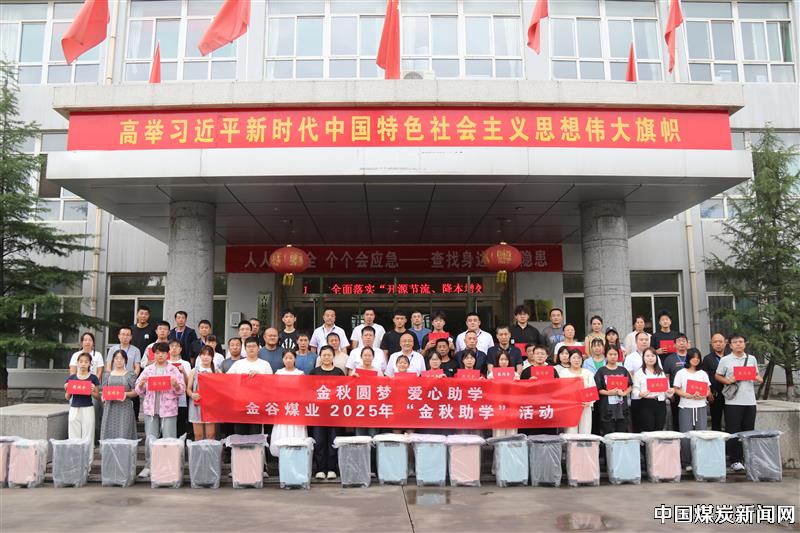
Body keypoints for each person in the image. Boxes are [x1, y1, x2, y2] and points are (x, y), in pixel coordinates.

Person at [134, 342, 185, 479]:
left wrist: (176, 385)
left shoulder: (173, 370)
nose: (160, 355)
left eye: (163, 353)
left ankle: (170, 466)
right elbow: (138, 390)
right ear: (153, 355)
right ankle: (149, 466)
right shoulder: (148, 370)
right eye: (157, 353)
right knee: (150, 439)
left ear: (167, 354)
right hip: (151, 409)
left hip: (168, 409)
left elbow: (181, 390)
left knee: (169, 439)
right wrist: (142, 384)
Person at [715, 333, 763, 472]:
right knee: (733, 431)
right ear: (730, 345)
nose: (738, 344)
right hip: (733, 401)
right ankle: (735, 460)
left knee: (748, 430)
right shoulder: (725, 360)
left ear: (745, 344)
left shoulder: (751, 359)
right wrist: (727, 380)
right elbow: (717, 375)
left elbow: (756, 375)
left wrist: (759, 378)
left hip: (750, 401)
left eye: (741, 341)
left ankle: (747, 458)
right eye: (735, 342)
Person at [673, 348, 712, 470]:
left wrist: (704, 395)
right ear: (688, 358)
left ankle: (700, 460)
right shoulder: (681, 373)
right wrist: (687, 395)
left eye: (698, 357)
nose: (695, 359)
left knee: (701, 434)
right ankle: (686, 462)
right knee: (686, 435)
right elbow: (676, 389)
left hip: (700, 406)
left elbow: (708, 389)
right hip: (686, 406)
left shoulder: (703, 373)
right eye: (693, 357)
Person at [309, 346, 345, 479]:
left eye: (329, 355)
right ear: (320, 356)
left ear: (333, 356)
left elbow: (344, 390)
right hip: (318, 413)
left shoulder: (339, 372)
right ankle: (320, 469)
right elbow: (309, 390)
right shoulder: (314, 372)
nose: (326, 357)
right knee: (319, 441)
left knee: (333, 440)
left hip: (334, 413)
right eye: (324, 355)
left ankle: (331, 468)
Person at [227, 337, 273, 435]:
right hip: (240, 404)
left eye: (253, 346)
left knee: (255, 434)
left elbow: (271, 384)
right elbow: (227, 380)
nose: (251, 348)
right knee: (240, 433)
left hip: (258, 404)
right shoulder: (238, 364)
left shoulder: (265, 364)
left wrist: (260, 376)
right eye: (248, 346)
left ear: (258, 348)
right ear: (245, 348)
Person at [269, 350, 307, 458]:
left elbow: (304, 391)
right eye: (286, 358)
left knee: (296, 429)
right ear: (283, 360)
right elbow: (274, 390)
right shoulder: (278, 373)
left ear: (295, 359)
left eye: (291, 358)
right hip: (282, 407)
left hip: (296, 407)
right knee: (283, 428)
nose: (288, 360)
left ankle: (297, 454)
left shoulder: (300, 373)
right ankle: (282, 455)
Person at [64, 352, 100, 463]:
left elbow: (98, 397)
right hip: (74, 408)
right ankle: (75, 464)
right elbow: (67, 397)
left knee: (87, 437)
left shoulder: (93, 378)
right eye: (81, 361)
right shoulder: (72, 378)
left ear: (90, 364)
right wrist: (68, 389)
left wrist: (92, 391)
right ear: (77, 363)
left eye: (86, 362)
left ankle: (87, 465)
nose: (83, 364)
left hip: (87, 408)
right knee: (73, 437)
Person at [631, 347, 673, 432]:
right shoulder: (639, 373)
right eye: (648, 356)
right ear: (643, 358)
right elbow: (635, 389)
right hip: (646, 403)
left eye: (653, 356)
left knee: (659, 428)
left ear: (656, 358)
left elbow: (666, 390)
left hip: (660, 403)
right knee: (648, 428)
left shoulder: (661, 373)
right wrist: (640, 394)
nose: (650, 358)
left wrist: (670, 392)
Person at [100, 349, 138, 441]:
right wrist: (103, 397)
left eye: (121, 358)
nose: (119, 360)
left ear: (126, 360)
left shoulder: (130, 375)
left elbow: (136, 392)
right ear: (113, 360)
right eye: (116, 358)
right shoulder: (107, 375)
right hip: (110, 407)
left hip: (125, 407)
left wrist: (125, 394)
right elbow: (104, 391)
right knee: (109, 431)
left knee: (124, 432)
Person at [594, 346, 632, 435]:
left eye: (615, 354)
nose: (613, 356)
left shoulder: (623, 370)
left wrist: (624, 393)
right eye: (610, 354)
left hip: (621, 407)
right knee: (608, 433)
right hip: (607, 407)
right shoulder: (601, 371)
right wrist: (609, 393)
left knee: (622, 433)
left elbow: (630, 385)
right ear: (606, 356)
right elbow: (597, 389)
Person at [187, 345, 217, 441]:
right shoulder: (194, 371)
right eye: (203, 355)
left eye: (208, 355)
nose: (205, 357)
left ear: (212, 357)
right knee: (198, 435)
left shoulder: (216, 371)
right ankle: (198, 451)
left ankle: (210, 451)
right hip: (196, 404)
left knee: (210, 435)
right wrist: (192, 395)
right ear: (199, 356)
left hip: (211, 406)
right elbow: (188, 389)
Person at [662, 333, 690, 431]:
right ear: (674, 344)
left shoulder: (692, 357)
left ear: (687, 343)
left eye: (683, 341)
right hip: (676, 393)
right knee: (676, 418)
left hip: (691, 393)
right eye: (679, 341)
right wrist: (669, 394)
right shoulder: (669, 359)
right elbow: (666, 377)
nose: (681, 343)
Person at [563, 350, 595, 434]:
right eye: (574, 358)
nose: (576, 360)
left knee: (585, 431)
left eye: (579, 358)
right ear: (569, 359)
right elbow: (561, 390)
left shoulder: (587, 373)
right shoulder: (563, 373)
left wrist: (589, 401)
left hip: (585, 406)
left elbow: (593, 388)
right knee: (570, 431)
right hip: (570, 407)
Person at [488, 351, 519, 438]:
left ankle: (512, 444)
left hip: (511, 404)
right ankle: (498, 445)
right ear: (498, 361)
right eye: (501, 359)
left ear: (509, 361)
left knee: (511, 427)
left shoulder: (515, 374)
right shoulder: (492, 374)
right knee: (499, 427)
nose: (504, 362)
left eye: (506, 359)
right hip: (498, 404)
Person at [702, 332, 728, 431]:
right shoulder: (707, 359)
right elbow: (704, 377)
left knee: (730, 420)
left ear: (725, 343)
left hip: (730, 394)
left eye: (720, 341)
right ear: (712, 344)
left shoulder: (730, 357)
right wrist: (708, 392)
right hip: (715, 394)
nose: (718, 344)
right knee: (716, 421)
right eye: (715, 342)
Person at [167, 339, 192, 437]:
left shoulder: (186, 363)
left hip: (181, 399)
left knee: (180, 426)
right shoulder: (165, 362)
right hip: (166, 400)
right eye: (171, 346)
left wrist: (184, 372)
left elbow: (188, 383)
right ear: (168, 349)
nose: (174, 348)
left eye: (176, 346)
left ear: (180, 349)